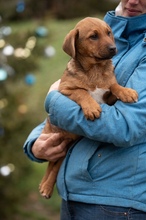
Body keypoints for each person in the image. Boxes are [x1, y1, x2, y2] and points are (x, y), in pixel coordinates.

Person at [23, 0, 146, 219]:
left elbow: (127, 127)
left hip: (116, 203)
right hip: (74, 195)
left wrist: (53, 98)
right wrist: (35, 143)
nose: (134, 1)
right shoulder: (107, 29)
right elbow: (60, 112)